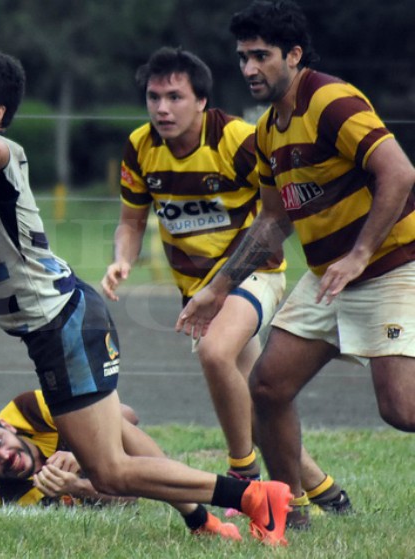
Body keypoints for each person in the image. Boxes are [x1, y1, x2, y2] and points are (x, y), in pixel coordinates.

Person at [0, 50, 294, 546]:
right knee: (116, 449)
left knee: (110, 470)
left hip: (63, 324)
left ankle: (254, 497)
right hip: (54, 327)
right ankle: (204, 519)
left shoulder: (0, 150)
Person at [177, 0, 415, 527]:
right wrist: (217, 290)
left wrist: (357, 256)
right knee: (267, 387)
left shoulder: (332, 100)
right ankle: (292, 513)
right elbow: (270, 222)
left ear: (294, 54)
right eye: (242, 58)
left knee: (402, 411)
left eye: (261, 56)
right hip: (329, 277)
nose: (249, 69)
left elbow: (399, 173)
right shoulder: (267, 131)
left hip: (392, 266)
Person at [101, 46, 349, 526]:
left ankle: (245, 478)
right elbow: (131, 222)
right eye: (154, 97)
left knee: (216, 354)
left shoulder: (237, 138)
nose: (162, 108)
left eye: (175, 97)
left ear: (201, 101)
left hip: (253, 274)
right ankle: (324, 490)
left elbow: (276, 216)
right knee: (256, 399)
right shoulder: (141, 145)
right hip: (197, 291)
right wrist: (121, 260)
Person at [0, 390, 141, 507]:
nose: (5, 456)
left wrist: (83, 452)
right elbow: (130, 498)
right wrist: (78, 488)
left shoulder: (30, 409)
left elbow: (129, 415)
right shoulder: (17, 497)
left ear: (7, 426)